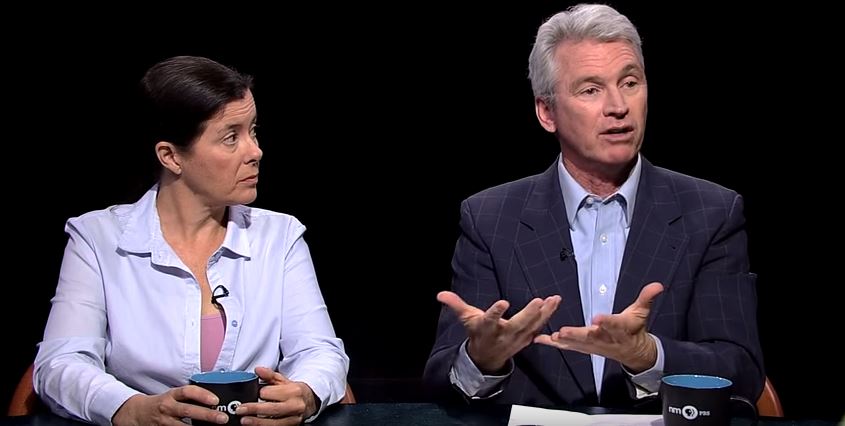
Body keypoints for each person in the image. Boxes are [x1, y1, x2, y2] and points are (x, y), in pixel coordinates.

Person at [423, 4, 764, 409]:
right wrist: (483, 358)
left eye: (631, 82)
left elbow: (741, 372)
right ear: (547, 112)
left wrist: (647, 356)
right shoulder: (490, 218)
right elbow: (441, 385)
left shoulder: (711, 213)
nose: (618, 106)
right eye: (591, 90)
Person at [33, 56, 349, 425]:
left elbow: (320, 351)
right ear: (170, 156)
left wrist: (306, 393)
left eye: (254, 131)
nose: (255, 151)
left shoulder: (280, 237)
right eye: (231, 137)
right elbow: (60, 363)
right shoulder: (97, 239)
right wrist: (130, 408)